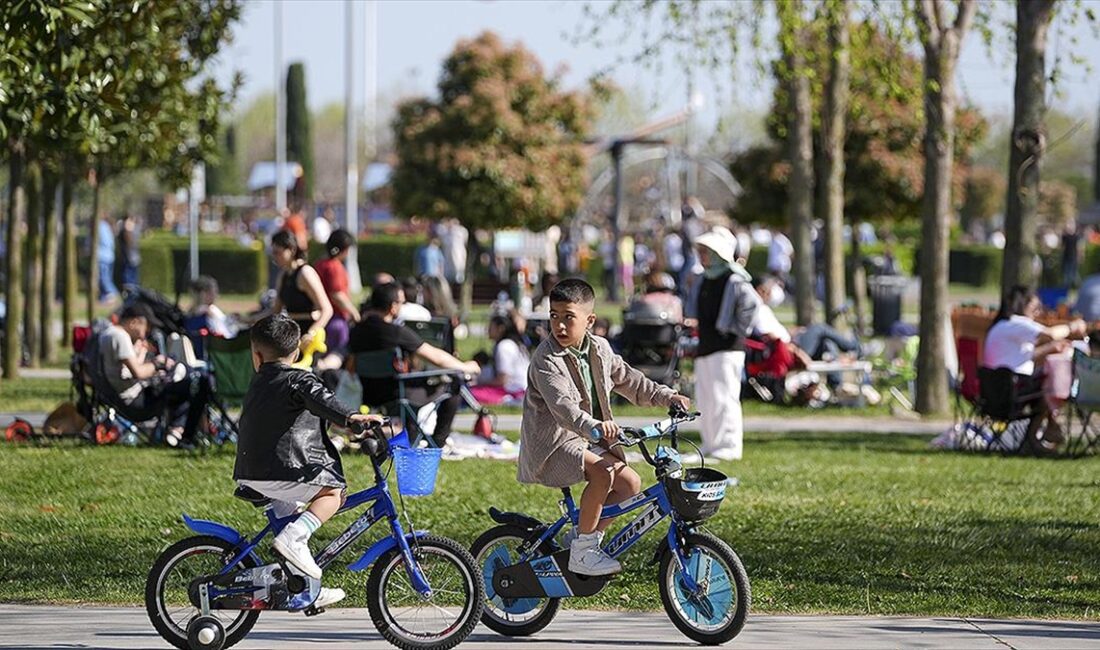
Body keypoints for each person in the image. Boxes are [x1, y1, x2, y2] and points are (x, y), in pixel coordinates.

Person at [518, 278, 691, 576]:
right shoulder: (546, 359)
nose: (559, 326)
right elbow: (564, 409)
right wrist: (596, 426)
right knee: (603, 472)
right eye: (554, 316)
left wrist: (668, 396)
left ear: (590, 320)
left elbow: (631, 380)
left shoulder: (600, 349)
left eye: (568, 317)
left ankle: (585, 539)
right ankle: (583, 552)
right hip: (554, 443)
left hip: (588, 439)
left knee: (630, 484)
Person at [234, 314, 381, 608]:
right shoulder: (298, 379)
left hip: (250, 470)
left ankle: (304, 592)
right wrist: (351, 418)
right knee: (333, 493)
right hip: (280, 470)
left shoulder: (260, 380)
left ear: (257, 355)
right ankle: (293, 540)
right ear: (298, 352)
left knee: (292, 518)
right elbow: (321, 398)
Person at [348, 282, 479, 447]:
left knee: (411, 382)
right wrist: (466, 366)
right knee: (453, 384)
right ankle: (436, 444)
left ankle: (411, 435)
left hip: (368, 395)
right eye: (401, 303)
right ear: (393, 307)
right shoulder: (395, 332)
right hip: (398, 395)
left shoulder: (356, 331)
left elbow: (350, 364)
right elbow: (436, 357)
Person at [685, 227, 759, 461]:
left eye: (707, 251)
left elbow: (751, 307)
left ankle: (729, 445)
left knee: (725, 397)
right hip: (706, 346)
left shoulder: (735, 280)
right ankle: (711, 443)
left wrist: (734, 330)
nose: (702, 255)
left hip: (727, 348)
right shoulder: (704, 279)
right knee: (707, 397)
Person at [99, 303, 211, 446]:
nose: (147, 332)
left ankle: (176, 431)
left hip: (123, 397)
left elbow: (128, 369)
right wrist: (159, 363)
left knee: (183, 383)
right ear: (134, 322)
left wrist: (143, 352)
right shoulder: (120, 336)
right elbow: (138, 372)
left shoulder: (107, 333)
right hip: (136, 401)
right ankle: (183, 435)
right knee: (197, 383)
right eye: (147, 326)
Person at [984, 286, 1084, 388]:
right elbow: (1052, 334)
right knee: (1055, 373)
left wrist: (1051, 347)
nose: (1038, 312)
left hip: (996, 383)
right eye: (1036, 307)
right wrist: (1073, 326)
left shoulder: (1002, 324)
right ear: (1023, 305)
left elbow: (1023, 356)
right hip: (1014, 383)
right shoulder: (1018, 322)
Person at [270, 230, 333, 352]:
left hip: (308, 338)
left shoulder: (305, 273)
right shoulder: (283, 275)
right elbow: (275, 312)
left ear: (292, 250)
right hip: (291, 336)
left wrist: (310, 334)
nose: (275, 257)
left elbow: (327, 310)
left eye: (278, 252)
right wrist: (248, 319)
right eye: (273, 253)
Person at [313, 229, 360, 354]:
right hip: (335, 320)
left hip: (321, 318)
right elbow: (337, 295)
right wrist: (354, 312)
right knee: (337, 355)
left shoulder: (320, 263)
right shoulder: (334, 267)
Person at [470, 314, 530, 405]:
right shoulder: (513, 343)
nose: (487, 330)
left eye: (491, 327)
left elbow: (503, 379)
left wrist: (480, 382)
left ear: (500, 329)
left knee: (470, 393)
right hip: (520, 388)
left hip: (514, 391)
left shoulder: (504, 346)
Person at [96, 215, 120, 303]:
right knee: (107, 277)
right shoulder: (106, 226)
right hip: (109, 256)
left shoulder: (98, 227)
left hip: (102, 256)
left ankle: (112, 293)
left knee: (103, 278)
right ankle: (103, 297)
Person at [440, 217, 469, 284]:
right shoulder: (445, 232)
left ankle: (459, 279)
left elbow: (464, 241)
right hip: (448, 255)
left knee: (458, 265)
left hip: (458, 253)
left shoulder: (462, 231)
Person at [117, 213, 141, 288]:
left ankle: (132, 295)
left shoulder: (133, 231)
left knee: (131, 280)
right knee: (129, 280)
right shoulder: (124, 232)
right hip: (130, 259)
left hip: (132, 259)